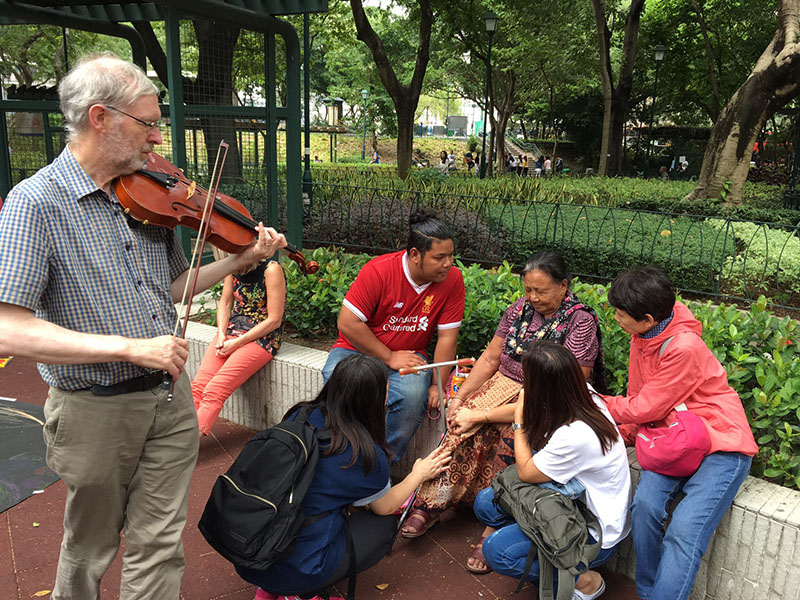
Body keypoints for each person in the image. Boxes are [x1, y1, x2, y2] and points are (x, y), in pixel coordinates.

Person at [0, 53, 287, 600]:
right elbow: (7, 328)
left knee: (160, 544)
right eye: (148, 123)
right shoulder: (35, 203)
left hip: (170, 401)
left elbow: (176, 287)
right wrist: (130, 348)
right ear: (100, 117)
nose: (158, 139)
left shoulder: (145, 194)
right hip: (94, 412)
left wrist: (241, 259)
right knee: (90, 546)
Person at [400, 251, 606, 569]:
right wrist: (461, 398)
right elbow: (490, 359)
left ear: (563, 286)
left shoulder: (581, 321)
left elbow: (570, 383)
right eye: (529, 289)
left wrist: (481, 414)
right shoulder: (518, 310)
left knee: (514, 437)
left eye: (541, 291)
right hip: (502, 383)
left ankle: (493, 526)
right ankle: (432, 502)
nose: (533, 297)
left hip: (548, 397)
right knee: (459, 424)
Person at [239, 354, 452, 600]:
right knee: (382, 526)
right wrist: (418, 474)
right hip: (295, 568)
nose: (387, 399)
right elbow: (385, 506)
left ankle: (267, 591)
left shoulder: (301, 414)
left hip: (250, 550)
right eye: (385, 392)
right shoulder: (362, 452)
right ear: (372, 401)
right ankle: (303, 593)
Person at [601, 265, 757, 600]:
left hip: (720, 444)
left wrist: (595, 404)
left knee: (684, 532)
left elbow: (646, 406)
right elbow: (638, 396)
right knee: (645, 507)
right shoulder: (642, 335)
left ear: (647, 318)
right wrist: (621, 434)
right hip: (672, 439)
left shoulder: (684, 346)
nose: (615, 318)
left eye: (620, 313)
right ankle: (649, 592)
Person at [473, 341, 631, 600]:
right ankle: (539, 545)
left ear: (540, 386)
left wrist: (519, 425)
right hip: (565, 503)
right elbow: (523, 407)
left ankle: (584, 580)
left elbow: (526, 472)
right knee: (486, 503)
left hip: (591, 534)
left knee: (497, 552)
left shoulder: (576, 434)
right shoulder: (581, 395)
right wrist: (481, 415)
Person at [321, 210, 465, 461]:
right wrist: (388, 356)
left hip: (410, 356)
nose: (448, 263)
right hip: (357, 350)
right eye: (440, 257)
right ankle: (337, 454)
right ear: (415, 255)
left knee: (412, 396)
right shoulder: (378, 271)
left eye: (451, 255)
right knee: (337, 378)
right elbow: (347, 323)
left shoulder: (452, 280)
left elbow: (447, 338)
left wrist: (437, 384)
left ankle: (379, 463)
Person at [191, 255, 286, 435]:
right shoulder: (233, 267)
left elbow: (274, 320)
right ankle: (178, 437)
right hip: (232, 330)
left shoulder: (271, 269)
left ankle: (186, 446)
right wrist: (221, 333)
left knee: (214, 390)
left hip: (262, 337)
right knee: (198, 387)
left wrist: (237, 343)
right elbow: (226, 302)